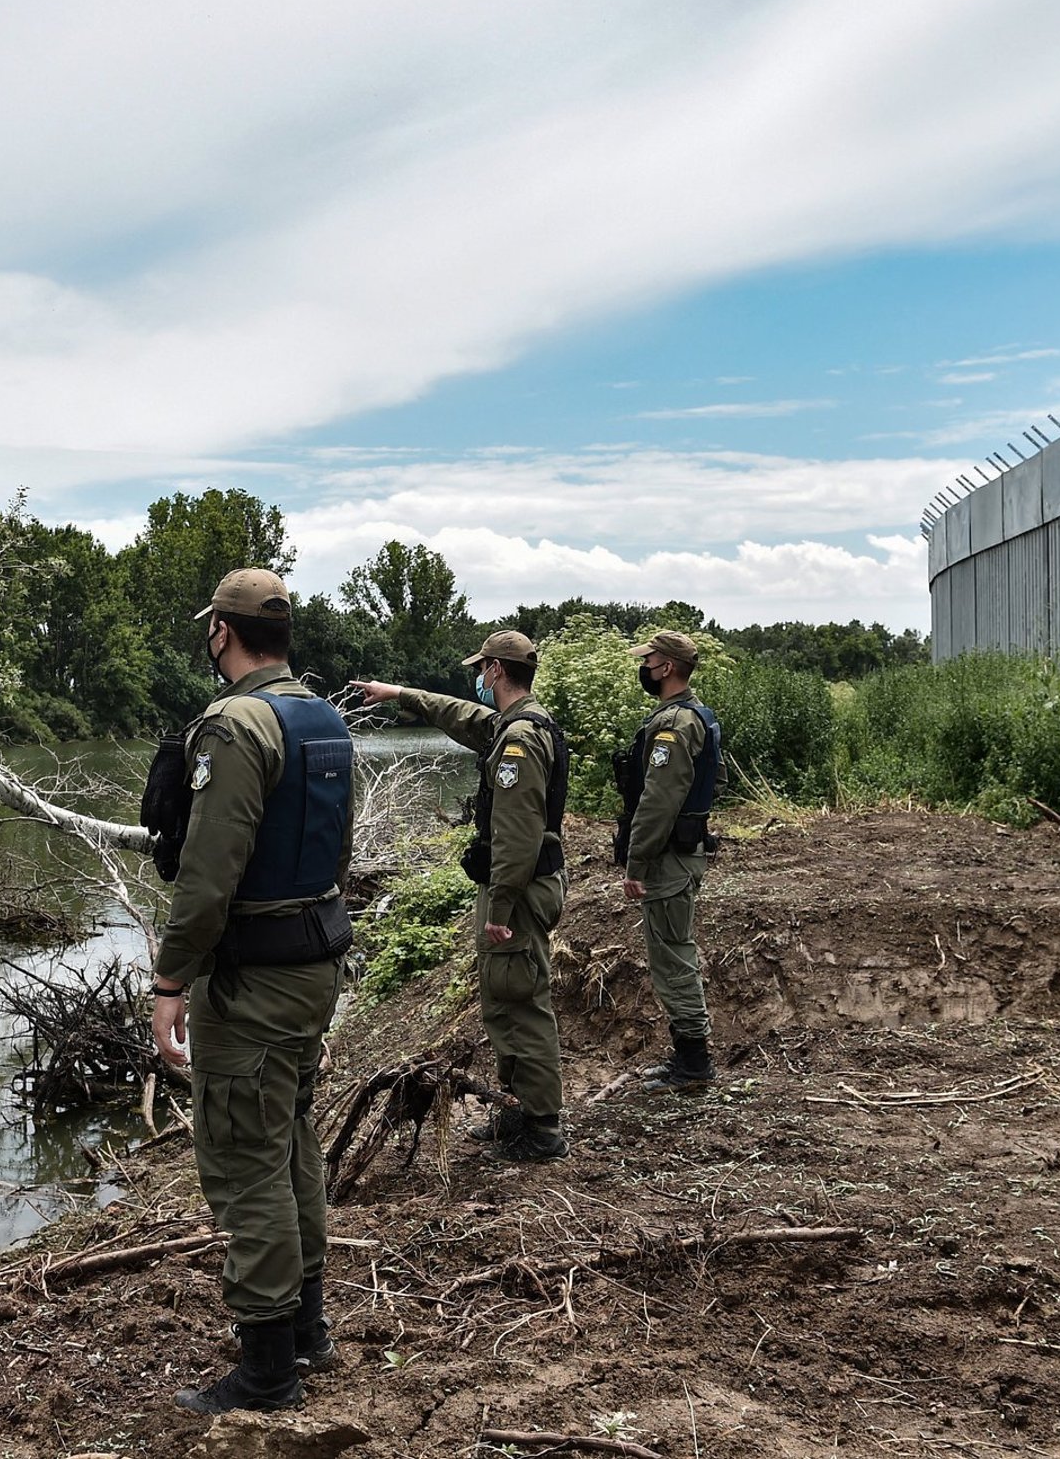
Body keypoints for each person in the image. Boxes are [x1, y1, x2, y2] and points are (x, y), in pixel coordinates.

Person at [150, 567, 356, 1415]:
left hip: (256, 980)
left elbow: (207, 875)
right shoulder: (323, 718)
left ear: (222, 634)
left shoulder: (236, 725)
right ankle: (306, 1330)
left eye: (212, 631)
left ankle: (268, 1368)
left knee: (245, 1161)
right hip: (313, 963)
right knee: (290, 1138)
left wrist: (171, 978)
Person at [349, 630, 570, 1161]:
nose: (478, 677)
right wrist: (398, 693)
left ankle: (542, 1129)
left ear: (495, 670)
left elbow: (517, 835)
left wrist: (498, 907)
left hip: (515, 892)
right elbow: (459, 715)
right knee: (503, 998)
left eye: (481, 669)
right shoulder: (515, 723)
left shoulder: (518, 739)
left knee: (521, 1001)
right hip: (516, 888)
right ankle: (519, 1109)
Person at [616, 629, 721, 1091]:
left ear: (668, 667)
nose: (645, 667)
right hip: (679, 853)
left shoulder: (676, 724)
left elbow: (659, 800)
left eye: (651, 660)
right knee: (671, 955)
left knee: (674, 958)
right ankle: (686, 1056)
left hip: (669, 861)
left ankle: (694, 1064)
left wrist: (636, 863)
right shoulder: (690, 716)